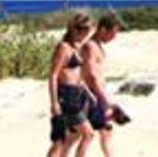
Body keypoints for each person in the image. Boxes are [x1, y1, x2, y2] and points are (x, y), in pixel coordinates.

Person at [48, 13, 96, 157]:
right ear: (75, 29)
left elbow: (78, 75)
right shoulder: (64, 47)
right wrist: (54, 102)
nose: (85, 37)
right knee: (88, 134)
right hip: (66, 96)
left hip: (76, 94)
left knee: (70, 137)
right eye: (84, 33)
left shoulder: (76, 46)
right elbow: (53, 74)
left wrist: (88, 92)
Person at [81, 13, 123, 157]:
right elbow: (91, 75)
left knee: (104, 132)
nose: (113, 38)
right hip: (92, 95)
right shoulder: (90, 47)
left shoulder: (96, 45)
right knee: (85, 135)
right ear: (103, 29)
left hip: (97, 94)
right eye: (112, 34)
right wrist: (104, 99)